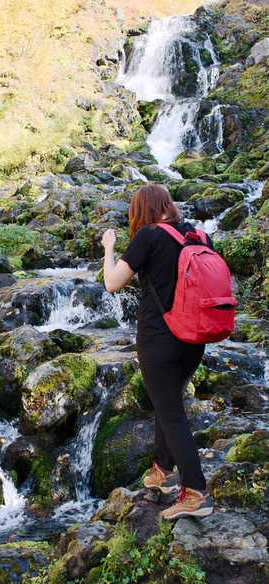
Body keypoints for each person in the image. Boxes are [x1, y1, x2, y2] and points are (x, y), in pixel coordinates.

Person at [101, 183, 214, 520]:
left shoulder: (149, 235)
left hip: (159, 340)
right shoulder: (197, 234)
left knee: (171, 413)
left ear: (142, 210)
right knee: (168, 406)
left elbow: (112, 282)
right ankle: (162, 473)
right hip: (194, 338)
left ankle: (196, 493)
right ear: (167, 204)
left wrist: (109, 247)